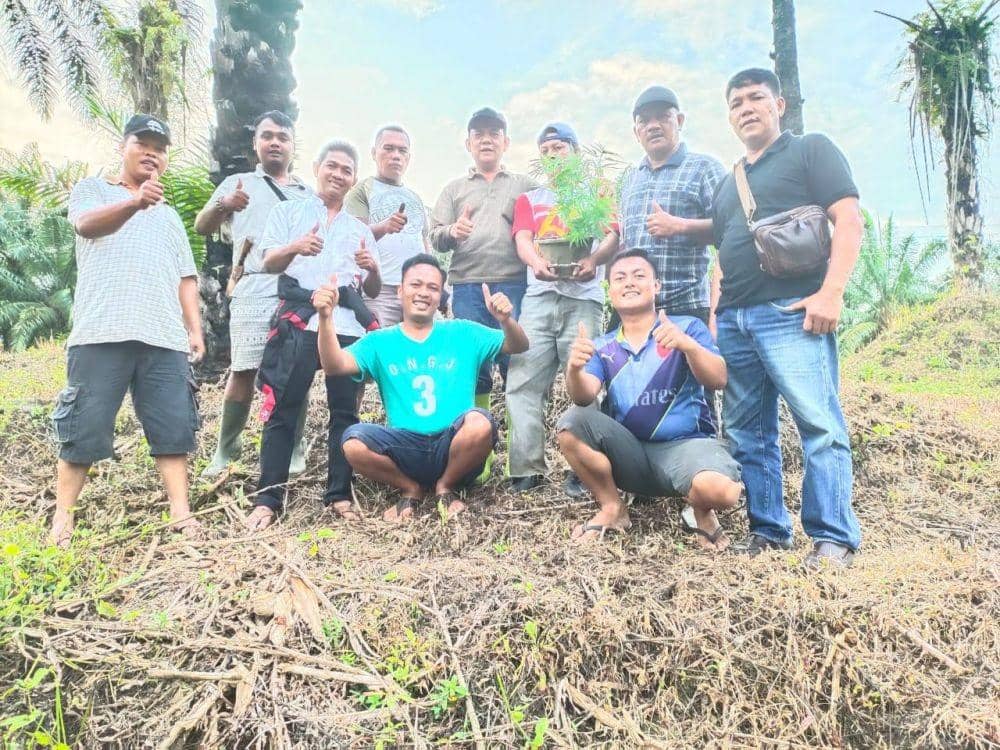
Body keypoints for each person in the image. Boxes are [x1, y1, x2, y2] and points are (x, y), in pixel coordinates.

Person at [711, 68, 863, 567]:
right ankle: (768, 531)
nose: (746, 108)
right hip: (735, 320)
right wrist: (716, 317)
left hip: (792, 311)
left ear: (779, 105)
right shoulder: (729, 183)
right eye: (736, 103)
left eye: (756, 98)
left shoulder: (810, 150)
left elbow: (848, 218)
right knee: (747, 432)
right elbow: (722, 251)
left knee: (818, 423)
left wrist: (831, 293)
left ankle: (833, 537)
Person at [49, 114, 205, 547]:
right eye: (143, 144)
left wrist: (194, 330)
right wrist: (135, 202)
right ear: (123, 147)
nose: (152, 153)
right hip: (101, 332)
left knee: (173, 428)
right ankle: (63, 517)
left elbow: (185, 277)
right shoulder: (93, 191)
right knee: (83, 426)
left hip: (164, 337)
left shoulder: (170, 217)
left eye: (160, 148)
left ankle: (181, 513)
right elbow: (85, 225)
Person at [313, 254, 529, 522]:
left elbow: (518, 345)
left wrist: (506, 320)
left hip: (455, 446)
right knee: (353, 442)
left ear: (440, 296)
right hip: (405, 448)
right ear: (400, 290)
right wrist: (325, 318)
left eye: (433, 287)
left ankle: (446, 486)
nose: (423, 293)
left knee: (480, 422)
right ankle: (409, 488)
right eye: (416, 284)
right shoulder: (379, 341)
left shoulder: (464, 332)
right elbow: (334, 365)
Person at [557, 250, 743, 547]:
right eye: (620, 278)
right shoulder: (603, 345)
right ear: (610, 291)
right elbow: (583, 396)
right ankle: (612, 507)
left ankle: (702, 511)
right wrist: (574, 369)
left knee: (723, 492)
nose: (629, 282)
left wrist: (688, 347)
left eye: (639, 275)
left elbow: (718, 379)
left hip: (685, 447)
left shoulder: (686, 328)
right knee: (571, 424)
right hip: (629, 453)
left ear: (656, 285)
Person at [245, 140, 380, 531]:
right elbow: (269, 262)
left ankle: (339, 494)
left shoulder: (359, 230)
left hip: (346, 329)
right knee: (283, 409)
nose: (338, 174)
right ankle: (268, 499)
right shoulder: (289, 212)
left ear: (354, 179)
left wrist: (372, 268)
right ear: (317, 167)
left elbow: (371, 290)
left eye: (346, 170)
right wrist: (296, 246)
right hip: (300, 323)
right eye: (332, 166)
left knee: (345, 412)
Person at [194, 110, 314, 479]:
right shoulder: (238, 183)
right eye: (267, 136)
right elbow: (201, 226)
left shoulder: (306, 193)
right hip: (253, 285)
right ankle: (226, 449)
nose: (275, 142)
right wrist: (224, 205)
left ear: (293, 145)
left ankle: (293, 447)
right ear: (255, 143)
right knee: (243, 369)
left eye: (283, 136)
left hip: (295, 291)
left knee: (295, 371)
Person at [505, 122, 605, 495]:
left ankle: (586, 467)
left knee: (588, 382)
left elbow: (613, 234)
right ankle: (525, 469)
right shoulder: (530, 199)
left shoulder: (597, 192)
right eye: (545, 150)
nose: (552, 155)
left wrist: (595, 259)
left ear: (576, 152)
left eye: (559, 148)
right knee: (523, 381)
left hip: (584, 298)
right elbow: (523, 240)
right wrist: (536, 263)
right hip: (539, 299)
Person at [577, 86, 726, 326]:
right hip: (632, 310)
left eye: (663, 117)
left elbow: (730, 229)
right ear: (636, 132)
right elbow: (619, 236)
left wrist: (680, 226)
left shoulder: (705, 168)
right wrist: (593, 260)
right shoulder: (630, 180)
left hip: (685, 308)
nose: (653, 126)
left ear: (679, 121)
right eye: (644, 121)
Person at [429, 107, 537, 408]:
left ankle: (518, 437)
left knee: (516, 364)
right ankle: (478, 433)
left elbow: (551, 217)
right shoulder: (453, 189)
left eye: (494, 134)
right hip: (467, 287)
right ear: (468, 143)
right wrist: (453, 231)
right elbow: (435, 237)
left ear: (506, 142)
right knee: (472, 365)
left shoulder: (525, 186)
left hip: (514, 285)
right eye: (478, 134)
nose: (486, 140)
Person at [344, 124, 432, 327]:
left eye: (402, 151)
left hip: (418, 290)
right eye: (389, 148)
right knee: (382, 345)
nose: (396, 156)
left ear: (409, 157)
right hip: (380, 291)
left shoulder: (415, 197)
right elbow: (355, 239)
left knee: (425, 344)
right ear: (374, 153)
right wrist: (384, 227)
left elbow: (424, 242)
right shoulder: (362, 190)